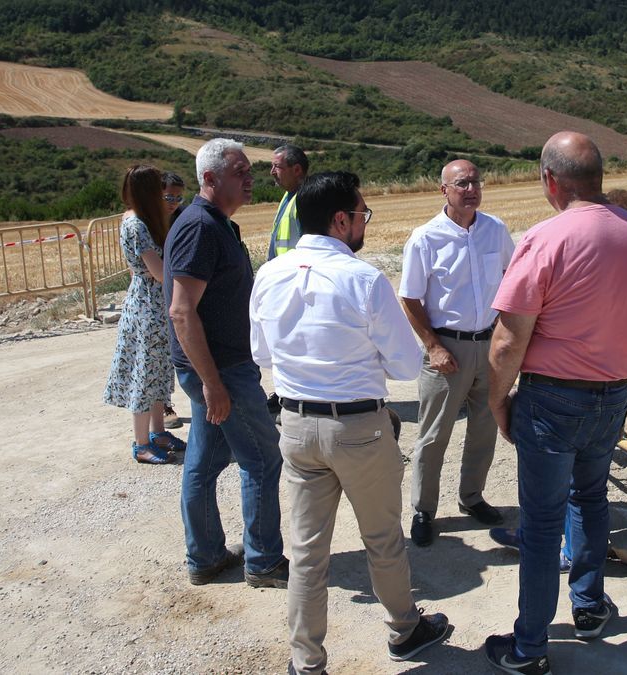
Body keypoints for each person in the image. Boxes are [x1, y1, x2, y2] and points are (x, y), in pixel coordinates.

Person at [483, 132, 627, 674]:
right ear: (598, 177)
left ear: (550, 182)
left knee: (542, 524)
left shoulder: (546, 238)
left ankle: (530, 648)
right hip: (613, 394)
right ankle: (588, 608)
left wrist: (499, 403)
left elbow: (508, 339)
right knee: (590, 500)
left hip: (554, 399)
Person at [251, 171, 451, 673]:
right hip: (359, 428)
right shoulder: (363, 279)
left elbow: (261, 353)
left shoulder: (269, 273)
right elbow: (406, 365)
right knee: (382, 540)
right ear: (341, 220)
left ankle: (306, 662)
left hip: (296, 426)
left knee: (307, 554)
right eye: (362, 213)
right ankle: (404, 631)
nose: (363, 222)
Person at [164, 138, 288, 589]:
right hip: (221, 371)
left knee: (204, 460)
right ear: (211, 179)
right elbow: (182, 310)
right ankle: (264, 562)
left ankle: (206, 556)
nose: (250, 177)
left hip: (218, 369)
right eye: (240, 171)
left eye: (249, 169)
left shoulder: (213, 223)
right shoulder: (200, 226)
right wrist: (212, 382)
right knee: (262, 459)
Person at [399, 159, 515, 546]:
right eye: (462, 183)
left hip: (490, 345)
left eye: (476, 182)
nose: (471, 189)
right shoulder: (425, 238)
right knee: (433, 436)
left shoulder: (495, 231)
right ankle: (423, 510)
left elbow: (511, 279)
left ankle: (472, 497)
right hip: (446, 350)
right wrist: (432, 346)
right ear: (443, 190)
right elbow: (410, 298)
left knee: (485, 428)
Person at [102, 165, 188, 464]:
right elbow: (158, 272)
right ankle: (142, 444)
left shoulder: (138, 220)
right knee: (144, 374)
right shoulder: (137, 224)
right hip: (148, 308)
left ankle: (158, 432)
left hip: (152, 305)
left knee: (158, 373)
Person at [161, 170, 188, 429]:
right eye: (169, 196)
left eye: (178, 198)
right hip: (156, 294)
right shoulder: (148, 222)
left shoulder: (183, 219)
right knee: (159, 355)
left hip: (174, 290)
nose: (173, 202)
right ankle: (164, 404)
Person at [268, 144, 309, 260]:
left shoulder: (306, 199)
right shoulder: (288, 195)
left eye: (277, 166)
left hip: (294, 273)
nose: (272, 172)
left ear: (296, 170)